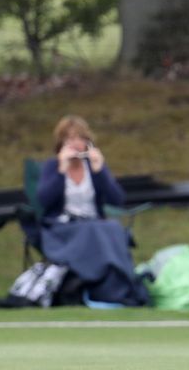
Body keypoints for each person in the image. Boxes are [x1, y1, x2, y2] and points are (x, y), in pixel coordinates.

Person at [35, 115, 149, 306]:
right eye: (70, 139)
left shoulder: (93, 168)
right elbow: (43, 202)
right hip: (63, 228)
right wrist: (62, 170)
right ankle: (103, 289)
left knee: (112, 228)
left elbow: (117, 200)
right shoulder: (52, 167)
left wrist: (100, 170)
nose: (75, 143)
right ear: (61, 143)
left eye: (80, 138)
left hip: (94, 225)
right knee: (96, 231)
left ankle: (124, 285)